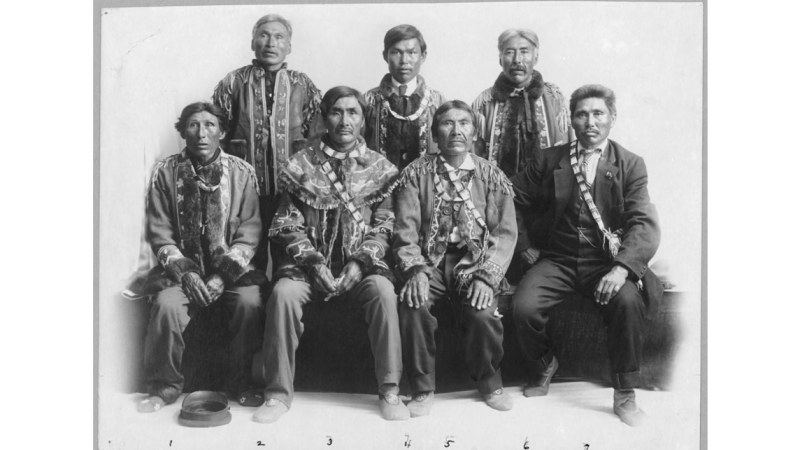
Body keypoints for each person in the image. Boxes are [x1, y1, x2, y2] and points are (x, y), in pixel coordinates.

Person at [510, 85, 662, 427]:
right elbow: (509, 197)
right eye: (581, 114)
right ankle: (544, 365)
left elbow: (643, 222)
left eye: (598, 114)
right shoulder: (548, 160)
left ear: (612, 118)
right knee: (524, 308)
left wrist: (622, 269)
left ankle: (625, 392)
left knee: (627, 303)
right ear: (571, 120)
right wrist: (525, 246)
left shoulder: (630, 164)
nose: (589, 122)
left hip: (606, 264)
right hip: (558, 259)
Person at [253, 87, 406, 424]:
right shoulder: (300, 165)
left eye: (353, 112)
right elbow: (286, 224)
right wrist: (314, 263)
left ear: (363, 120)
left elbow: (385, 225)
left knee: (383, 293)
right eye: (336, 112)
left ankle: (390, 389)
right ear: (324, 118)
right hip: (307, 268)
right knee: (283, 295)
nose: (344, 120)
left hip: (362, 267)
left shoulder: (381, 168)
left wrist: (360, 262)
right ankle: (277, 393)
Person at [131, 102, 264, 413]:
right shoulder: (166, 172)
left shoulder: (242, 173)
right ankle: (163, 387)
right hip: (180, 274)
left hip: (230, 273)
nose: (201, 133)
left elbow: (250, 231)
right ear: (183, 132)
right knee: (166, 307)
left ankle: (243, 382)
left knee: (249, 304)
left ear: (222, 132)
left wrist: (223, 275)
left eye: (209, 125)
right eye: (193, 125)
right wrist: (187, 273)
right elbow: (160, 232)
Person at [391, 100, 518, 416]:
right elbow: (405, 231)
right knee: (413, 304)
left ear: (474, 133)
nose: (456, 130)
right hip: (429, 262)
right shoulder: (415, 174)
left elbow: (504, 234)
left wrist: (487, 276)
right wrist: (415, 271)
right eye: (447, 123)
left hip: (475, 261)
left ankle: (490, 383)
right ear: (435, 134)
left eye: (464, 123)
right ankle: (422, 388)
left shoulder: (491, 176)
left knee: (483, 313)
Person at [213, 14, 324, 271]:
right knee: (247, 258)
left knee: (290, 260)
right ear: (253, 43)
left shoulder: (302, 84)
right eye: (264, 35)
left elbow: (317, 138)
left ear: (289, 46)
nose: (271, 43)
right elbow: (217, 134)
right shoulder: (234, 83)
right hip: (244, 191)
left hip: (293, 191)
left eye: (278, 37)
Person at [472, 28, 573, 178]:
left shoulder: (555, 100)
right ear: (500, 59)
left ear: (536, 57)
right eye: (509, 52)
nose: (517, 60)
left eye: (524, 52)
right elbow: (475, 158)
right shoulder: (484, 104)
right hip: (496, 190)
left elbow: (568, 155)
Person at [364, 24, 446, 171]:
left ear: (423, 56)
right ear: (385, 56)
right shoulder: (369, 100)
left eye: (412, 52)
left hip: (425, 181)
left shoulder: (437, 101)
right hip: (378, 181)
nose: (404, 60)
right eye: (396, 52)